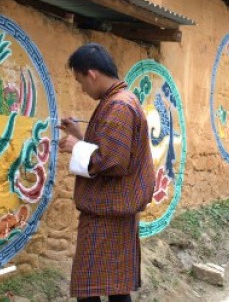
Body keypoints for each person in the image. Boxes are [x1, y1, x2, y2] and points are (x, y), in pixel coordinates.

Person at [58, 43, 156, 302]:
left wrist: (77, 146)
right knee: (115, 285)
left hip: (108, 213)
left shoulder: (119, 106)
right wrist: (80, 136)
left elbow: (113, 161)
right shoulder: (117, 101)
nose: (82, 88)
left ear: (92, 74)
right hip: (113, 210)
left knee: (90, 288)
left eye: (80, 81)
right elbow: (111, 148)